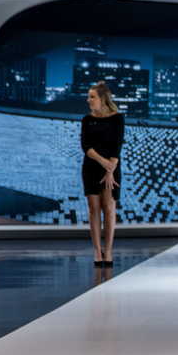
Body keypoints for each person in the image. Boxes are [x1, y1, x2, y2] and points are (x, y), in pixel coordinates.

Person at [81, 82, 125, 266]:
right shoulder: (86, 120)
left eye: (92, 97)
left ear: (102, 99)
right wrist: (102, 162)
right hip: (92, 167)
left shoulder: (117, 119)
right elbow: (86, 146)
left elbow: (117, 145)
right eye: (89, 96)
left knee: (108, 208)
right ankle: (97, 251)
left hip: (111, 169)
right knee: (93, 208)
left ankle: (108, 251)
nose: (88, 100)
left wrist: (110, 170)